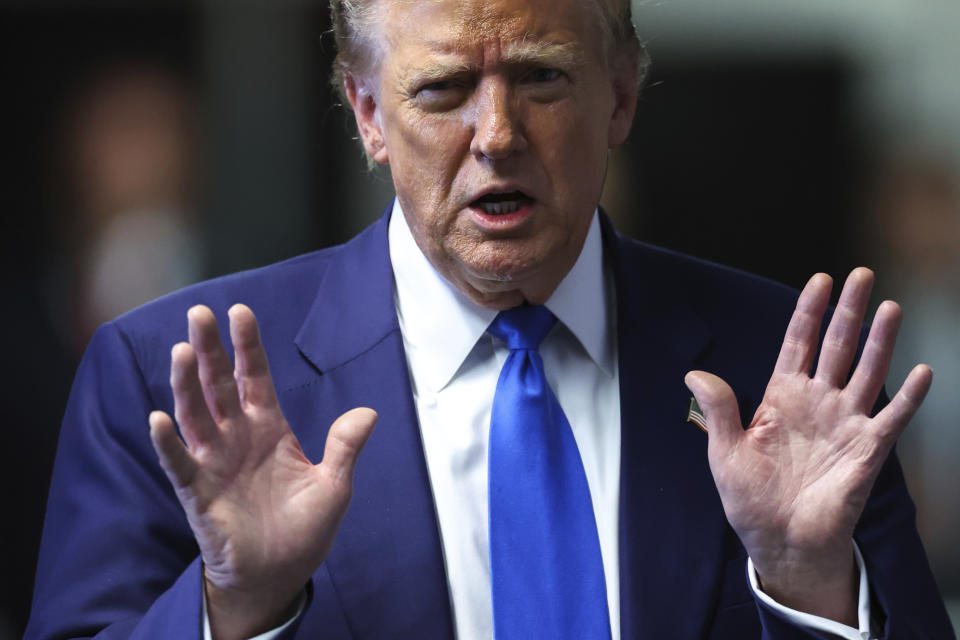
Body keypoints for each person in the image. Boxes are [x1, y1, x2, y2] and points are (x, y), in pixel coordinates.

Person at [25, 0, 955, 638]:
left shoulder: (786, 367)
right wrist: (236, 609)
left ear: (622, 94)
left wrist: (811, 588)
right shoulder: (173, 373)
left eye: (543, 78)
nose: (498, 133)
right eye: (441, 90)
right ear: (367, 114)